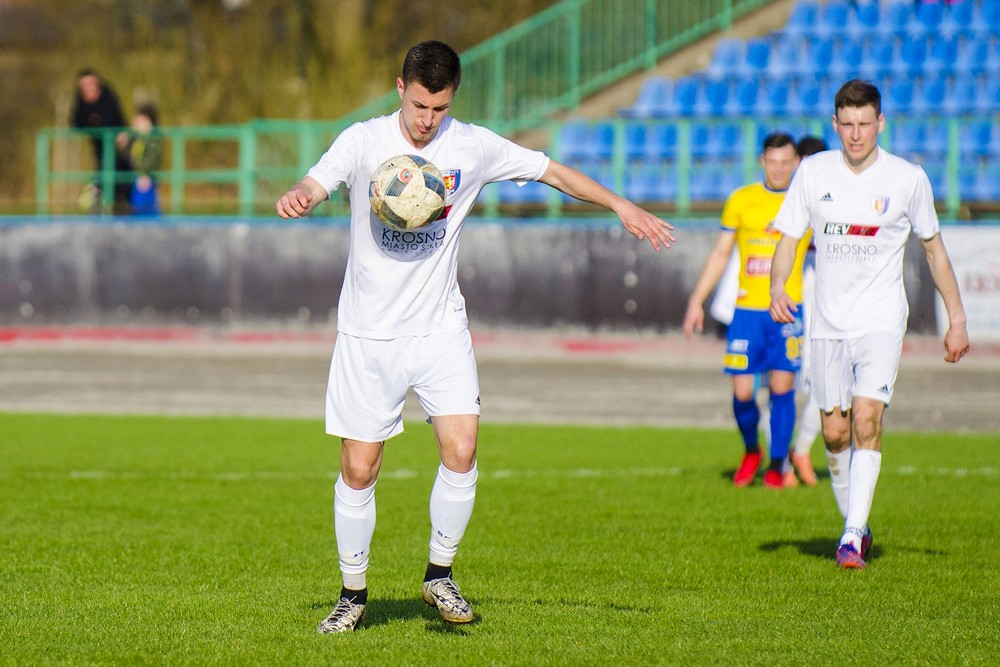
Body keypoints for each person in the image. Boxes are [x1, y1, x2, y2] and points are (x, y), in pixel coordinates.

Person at [275, 40, 675, 633]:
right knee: (359, 469)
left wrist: (619, 203)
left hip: (440, 328)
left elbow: (552, 171)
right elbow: (318, 178)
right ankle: (353, 593)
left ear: (451, 99)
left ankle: (439, 575)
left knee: (461, 450)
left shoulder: (473, 146)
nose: (425, 120)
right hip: (368, 334)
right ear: (399, 89)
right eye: (417, 105)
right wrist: (302, 195)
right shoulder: (364, 140)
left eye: (438, 108)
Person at [770, 79, 969, 570]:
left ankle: (853, 535)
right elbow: (789, 239)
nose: (856, 134)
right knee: (834, 435)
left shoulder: (907, 178)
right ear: (835, 125)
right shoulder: (814, 172)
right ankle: (853, 523)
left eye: (865, 124)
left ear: (880, 123)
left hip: (880, 320)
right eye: (848, 124)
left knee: (865, 420)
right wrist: (779, 285)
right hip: (827, 323)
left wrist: (957, 317)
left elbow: (934, 251)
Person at [683, 132, 810, 489]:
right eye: (773, 162)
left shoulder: (806, 202)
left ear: (797, 163)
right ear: (762, 161)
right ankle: (752, 449)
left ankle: (776, 463)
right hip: (747, 311)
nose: (780, 168)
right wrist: (697, 300)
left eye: (786, 162)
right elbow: (721, 253)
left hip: (787, 309)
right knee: (742, 392)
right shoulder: (742, 200)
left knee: (782, 389)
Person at [784, 135, 829, 487]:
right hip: (794, 288)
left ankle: (797, 450)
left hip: (820, 286)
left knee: (821, 378)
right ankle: (782, 458)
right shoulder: (788, 196)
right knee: (785, 379)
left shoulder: (832, 191)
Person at [71, 69, 131, 213]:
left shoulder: (108, 97)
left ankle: (111, 199)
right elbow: (76, 123)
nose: (88, 89)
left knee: (119, 174)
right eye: (84, 86)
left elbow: (118, 119)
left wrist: (121, 134)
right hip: (99, 147)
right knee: (104, 171)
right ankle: (97, 197)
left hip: (117, 147)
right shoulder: (81, 102)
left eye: (91, 84)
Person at [124, 103, 163, 216]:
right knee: (139, 207)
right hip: (138, 176)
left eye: (139, 119)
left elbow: (153, 158)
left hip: (146, 178)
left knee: (145, 207)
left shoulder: (153, 138)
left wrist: (146, 174)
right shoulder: (139, 138)